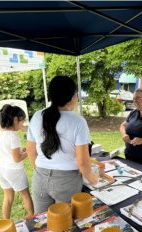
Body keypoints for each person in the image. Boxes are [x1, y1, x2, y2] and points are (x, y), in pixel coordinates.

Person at [26, 75, 98, 214]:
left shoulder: (37, 116)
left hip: (39, 177)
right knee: (65, 225)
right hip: (67, 181)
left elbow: (30, 150)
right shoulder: (78, 121)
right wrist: (93, 179)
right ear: (72, 96)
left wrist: (42, 170)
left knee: (42, 222)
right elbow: (83, 162)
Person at [0, 104, 34, 219]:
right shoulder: (13, 136)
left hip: (2, 170)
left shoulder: (1, 133)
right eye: (22, 121)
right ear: (15, 120)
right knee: (26, 195)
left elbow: (10, 153)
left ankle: (5, 222)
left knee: (8, 197)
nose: (23, 124)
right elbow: (17, 158)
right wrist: (28, 151)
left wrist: (22, 151)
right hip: (15, 172)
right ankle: (32, 218)